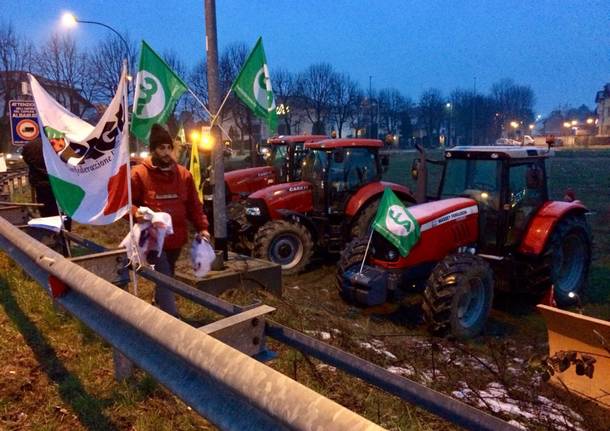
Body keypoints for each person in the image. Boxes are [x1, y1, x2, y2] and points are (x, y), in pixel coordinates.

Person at [130, 124, 210, 316]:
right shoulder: (139, 174)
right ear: (153, 150)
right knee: (164, 274)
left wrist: (203, 227)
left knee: (168, 273)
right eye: (161, 148)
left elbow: (194, 205)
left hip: (177, 239)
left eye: (168, 148)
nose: (166, 153)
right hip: (153, 240)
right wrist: (135, 213)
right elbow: (126, 203)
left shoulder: (183, 175)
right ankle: (171, 320)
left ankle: (158, 300)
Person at [21, 137, 60, 217]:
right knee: (63, 210)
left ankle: (48, 227)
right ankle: (64, 227)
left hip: (41, 183)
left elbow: (27, 160)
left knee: (46, 209)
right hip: (60, 182)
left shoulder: (30, 146)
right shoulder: (60, 143)